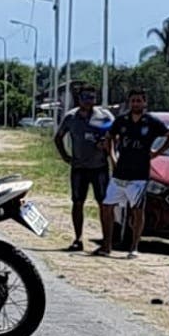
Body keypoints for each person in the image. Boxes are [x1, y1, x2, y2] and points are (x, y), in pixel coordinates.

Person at [95, 89, 169, 258]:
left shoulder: (152, 122)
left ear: (145, 103)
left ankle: (134, 247)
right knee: (106, 206)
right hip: (120, 173)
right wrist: (112, 156)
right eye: (133, 101)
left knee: (137, 211)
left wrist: (157, 152)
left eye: (139, 101)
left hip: (139, 175)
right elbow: (109, 136)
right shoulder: (122, 120)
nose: (136, 104)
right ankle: (107, 245)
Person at [53, 85, 114, 252]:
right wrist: (66, 157)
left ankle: (106, 241)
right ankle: (78, 239)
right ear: (79, 99)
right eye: (86, 97)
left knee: (104, 204)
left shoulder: (105, 116)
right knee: (77, 202)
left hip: (100, 167)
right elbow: (58, 137)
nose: (89, 101)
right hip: (79, 168)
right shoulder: (71, 117)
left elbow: (117, 136)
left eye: (92, 97)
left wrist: (108, 146)